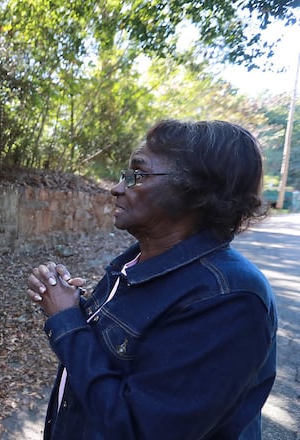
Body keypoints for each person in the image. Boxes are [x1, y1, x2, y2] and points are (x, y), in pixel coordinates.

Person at [26, 119, 277, 440]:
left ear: (197, 190)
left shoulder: (229, 299)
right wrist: (72, 305)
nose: (117, 188)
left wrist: (65, 320)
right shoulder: (137, 263)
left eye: (138, 175)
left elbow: (134, 429)